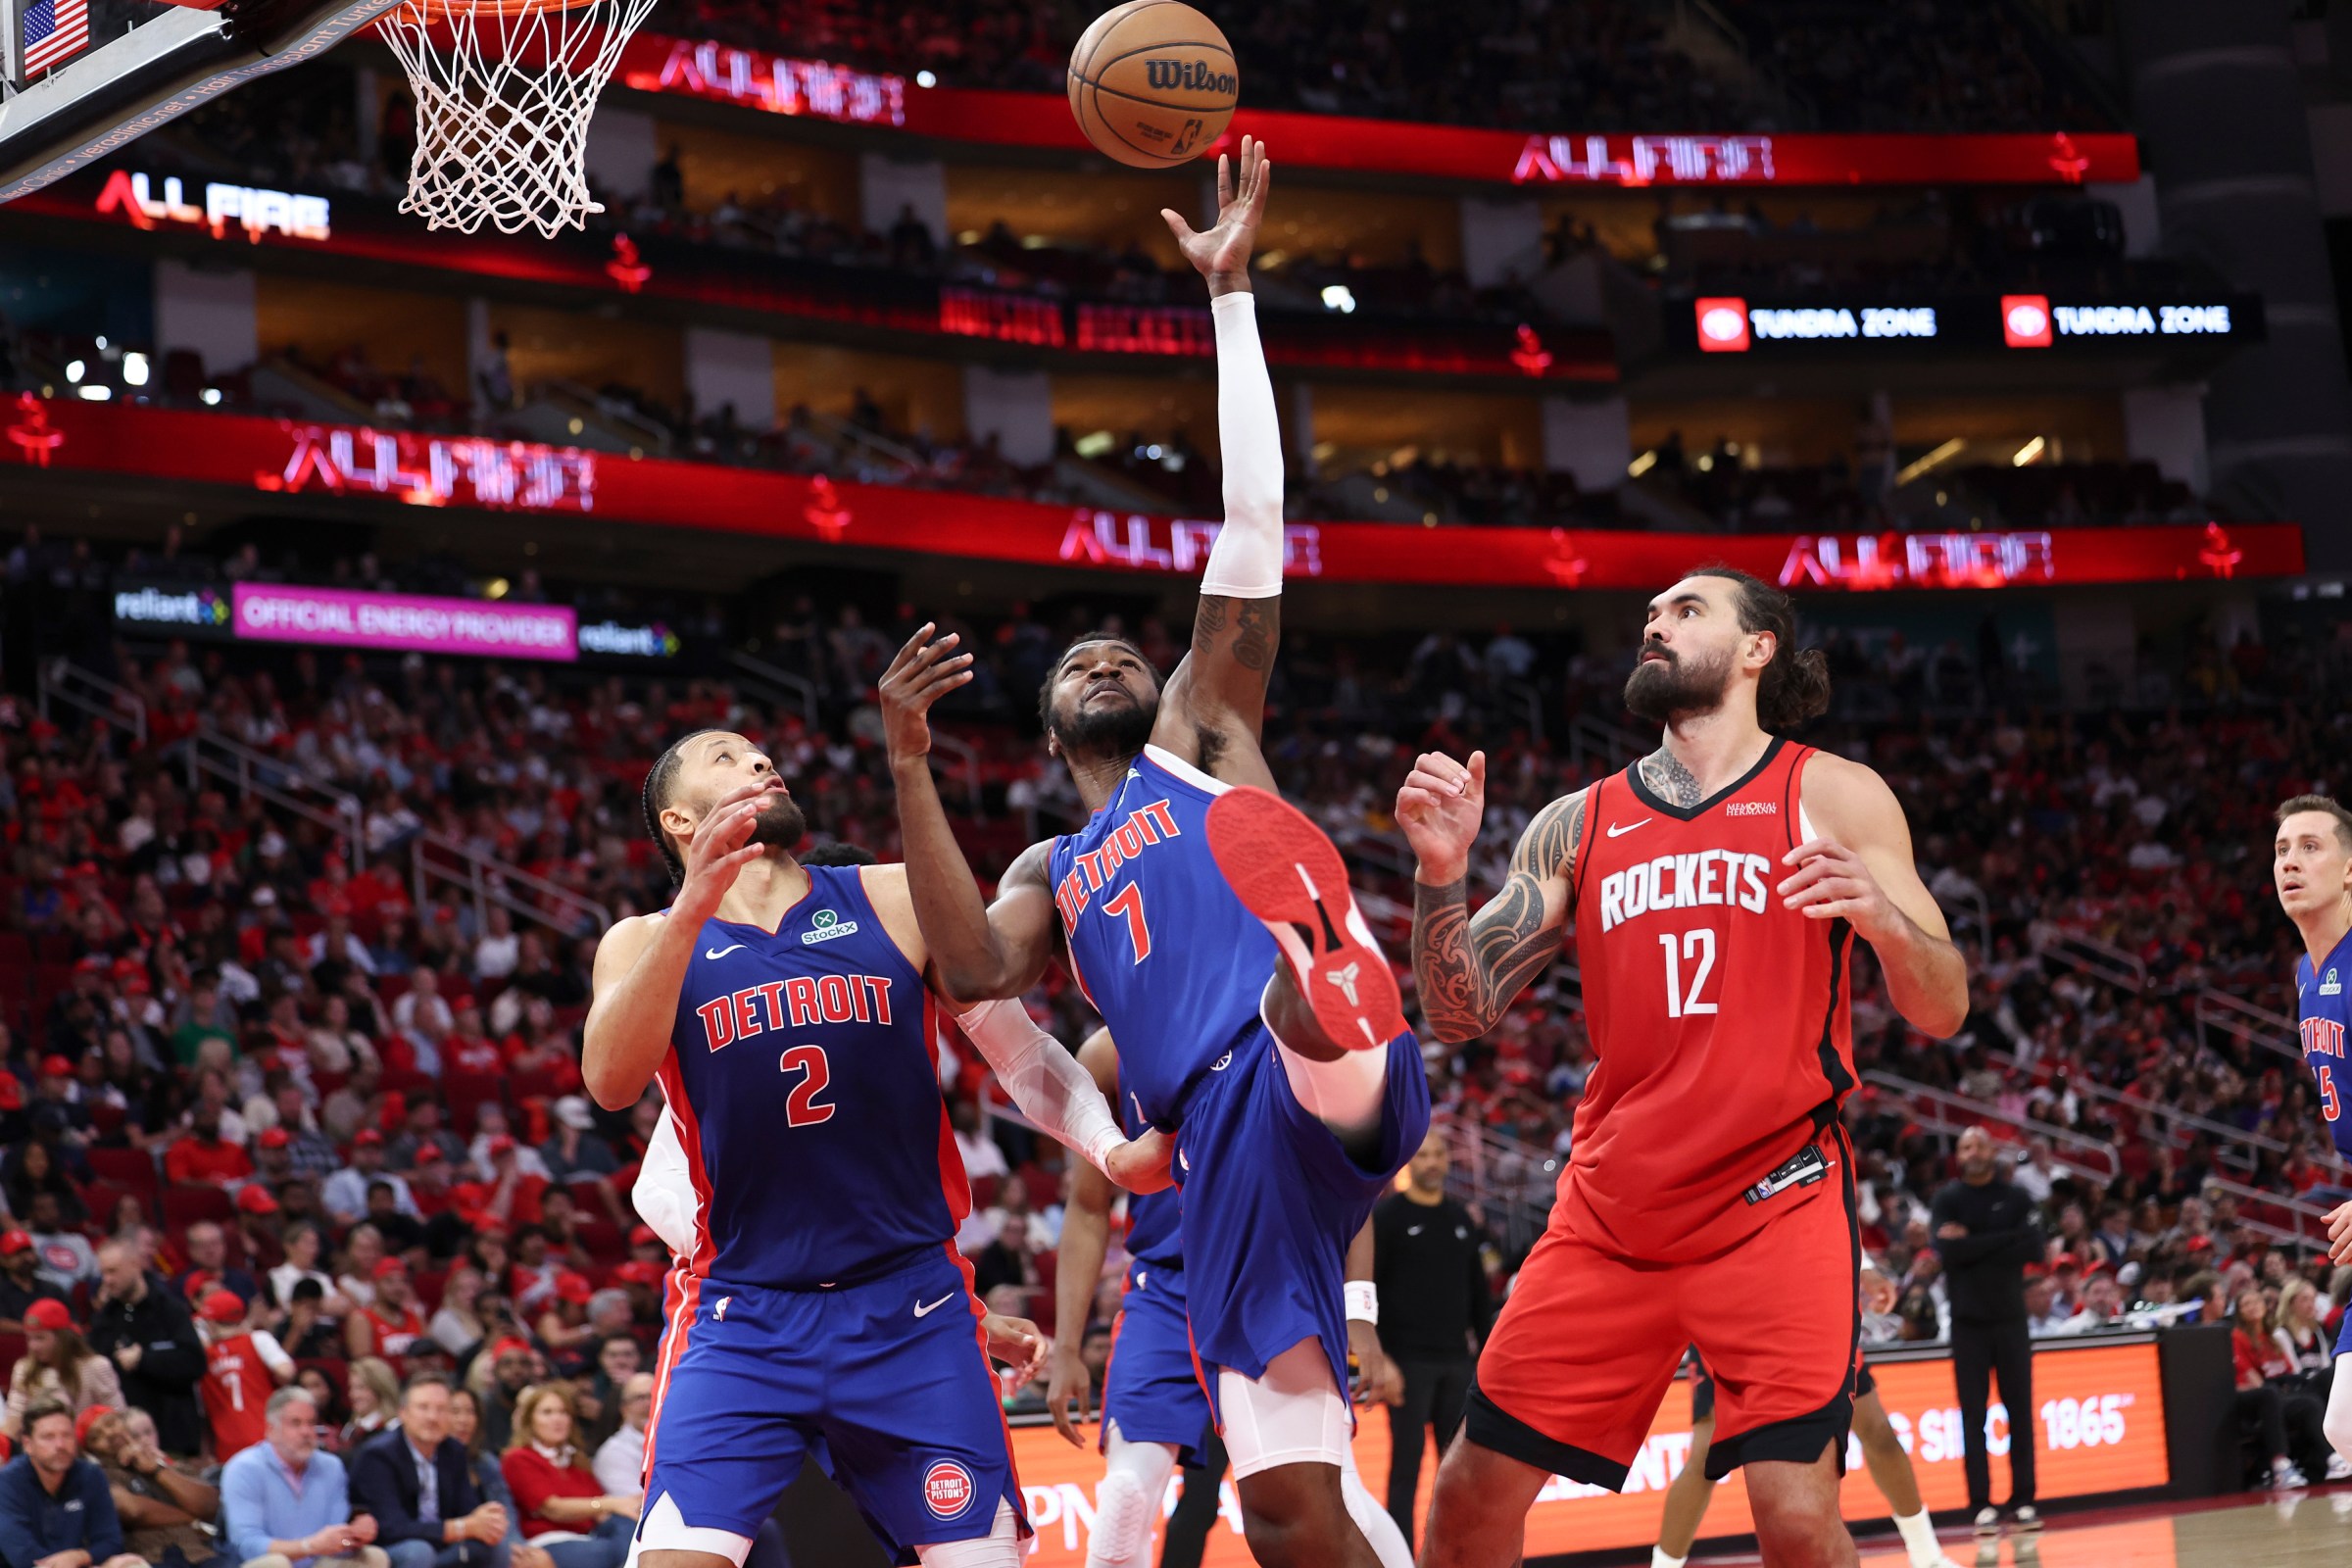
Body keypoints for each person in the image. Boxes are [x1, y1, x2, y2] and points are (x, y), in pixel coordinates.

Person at [885, 137, 1431, 1568]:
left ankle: (1323, 967)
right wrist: (905, 769)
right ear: (1051, 725)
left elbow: (1255, 524)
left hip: (1293, 1065)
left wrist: (1232, 298)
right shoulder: (1053, 871)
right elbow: (966, 968)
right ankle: (1320, 964)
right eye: (1083, 657)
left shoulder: (1195, 725)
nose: (1110, 656)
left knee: (1287, 1000)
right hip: (1227, 1151)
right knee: (1287, 1504)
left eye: (1124, 644)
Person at [1397, 567, 1968, 1568]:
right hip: (1613, 1213)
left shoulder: (1833, 791)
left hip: (1776, 1202)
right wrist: (1440, 877)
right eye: (1651, 612)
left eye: (1686, 610)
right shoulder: (1579, 821)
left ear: (1759, 649)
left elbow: (1943, 1005)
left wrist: (1880, 920)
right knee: (1468, 1499)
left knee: (1796, 1517)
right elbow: (1459, 1011)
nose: (1655, 623)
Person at [587, 717, 1142, 1568]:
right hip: (745, 1317)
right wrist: (695, 901)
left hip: (909, 1309)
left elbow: (1021, 1053)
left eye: (759, 751)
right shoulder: (641, 943)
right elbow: (612, 1084)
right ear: (678, 822)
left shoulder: (887, 895)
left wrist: (1109, 1150)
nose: (759, 760)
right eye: (724, 757)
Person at [1045, 1032, 1407, 1568]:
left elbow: (1345, 1181)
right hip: (1166, 1292)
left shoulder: (1269, 1020)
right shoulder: (1106, 1053)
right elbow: (1089, 1205)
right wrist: (1068, 1346)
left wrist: (1359, 1310)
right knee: (1125, 1496)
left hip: (1266, 1280)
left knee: (1336, 1498)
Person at [1653, 1339, 1961, 1568]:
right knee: (1706, 1456)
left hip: (1811, 1305)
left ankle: (1927, 1556)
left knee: (1877, 1429)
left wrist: (1864, 1268)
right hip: (1731, 1309)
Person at [1365, 1128, 1492, 1551]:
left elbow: (1479, 1296)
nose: (1433, 1163)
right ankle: (1400, 1556)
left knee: (1457, 1472)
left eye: (1439, 1155)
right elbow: (1370, 1289)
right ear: (1408, 1165)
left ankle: (1452, 1556)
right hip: (1407, 1364)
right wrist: (1382, 1359)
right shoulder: (1388, 1218)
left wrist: (1487, 1363)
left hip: (1458, 1363)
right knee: (1406, 1469)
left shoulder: (1460, 1219)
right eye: (1424, 1156)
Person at [2278, 794, 2352, 1471]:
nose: (2290, 862)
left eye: (2310, 846)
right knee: (2346, 1424)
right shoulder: (2308, 975)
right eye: (2281, 850)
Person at [1930, 1126, 2043, 1536]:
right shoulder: (1947, 1199)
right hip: (1968, 1325)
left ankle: (2025, 1500)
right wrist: (2004, 1239)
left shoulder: (2016, 1196)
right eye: (1964, 1145)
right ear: (1958, 1155)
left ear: (1993, 1150)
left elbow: (2035, 1247)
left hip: (2011, 1321)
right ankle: (1981, 1504)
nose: (1972, 1150)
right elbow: (1948, 1251)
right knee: (1972, 1416)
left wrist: (1973, 1242)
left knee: (2020, 1412)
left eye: (1978, 1144)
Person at [349, 1372, 514, 1568]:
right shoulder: (378, 1456)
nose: (432, 1417)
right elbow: (391, 1528)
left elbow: (467, 1510)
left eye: (442, 1409)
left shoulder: (453, 1450)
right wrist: (462, 1527)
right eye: (423, 1408)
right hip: (390, 1547)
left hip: (440, 1543)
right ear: (403, 1413)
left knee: (496, 1546)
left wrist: (487, 1519)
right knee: (419, 1552)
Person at [220, 1387, 389, 1568]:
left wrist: (354, 1535)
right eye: (296, 1423)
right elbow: (248, 1546)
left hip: (317, 1562)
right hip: (264, 1563)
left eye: (311, 1423)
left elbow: (335, 1539)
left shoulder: (331, 1467)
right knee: (277, 1563)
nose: (306, 1432)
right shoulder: (244, 1469)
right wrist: (308, 1546)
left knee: (373, 1556)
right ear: (271, 1430)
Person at [88, 1237, 208, 1456]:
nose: (107, 1280)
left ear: (135, 1265)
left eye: (113, 1271)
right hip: (127, 1445)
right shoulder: (104, 1320)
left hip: (175, 1438)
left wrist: (145, 1359)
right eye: (103, 1273)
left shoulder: (170, 1310)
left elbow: (195, 1362)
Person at [497, 1384, 636, 1568]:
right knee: (606, 1551)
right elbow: (554, 1508)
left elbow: (600, 1511)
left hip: (591, 1535)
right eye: (547, 1412)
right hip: (548, 1542)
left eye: (563, 1412)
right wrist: (610, 1503)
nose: (558, 1419)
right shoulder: (519, 1458)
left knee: (632, 1529)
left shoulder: (575, 1459)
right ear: (530, 1420)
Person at [0, 1400, 144, 1568]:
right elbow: (22, 1556)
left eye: (66, 1435)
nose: (60, 1445)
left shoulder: (91, 1475)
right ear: (28, 1445)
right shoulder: (8, 1482)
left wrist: (79, 1556)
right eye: (49, 1437)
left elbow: (111, 1541)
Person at [84, 1404, 223, 1566]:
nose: (109, 1433)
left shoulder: (171, 1465)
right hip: (150, 1558)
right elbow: (132, 1510)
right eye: (96, 1437)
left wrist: (157, 1469)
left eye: (111, 1423)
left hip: (202, 1555)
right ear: (91, 1451)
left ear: (125, 1424)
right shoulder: (100, 1477)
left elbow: (211, 1506)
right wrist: (191, 1517)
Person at [199, 1288, 298, 1460]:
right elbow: (286, 1372)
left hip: (229, 1447)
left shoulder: (204, 1356)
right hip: (268, 1439)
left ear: (211, 1323)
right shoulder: (257, 1339)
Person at [3, 1299, 122, 1439]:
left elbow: (117, 1416)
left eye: (40, 1338)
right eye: (29, 1339)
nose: (33, 1346)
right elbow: (14, 1420)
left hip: (90, 1449)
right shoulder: (24, 1369)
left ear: (61, 1338)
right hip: (41, 1449)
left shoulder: (96, 1367)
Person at [590, 1375, 652, 1499]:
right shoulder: (613, 1452)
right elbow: (639, 1504)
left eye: (653, 1396)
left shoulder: (682, 1441)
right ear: (625, 1408)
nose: (648, 1404)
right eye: (639, 1398)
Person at [0, 1227, 67, 1329]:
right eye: (18, 1253)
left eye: (29, 1251)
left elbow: (71, 1321)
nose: (27, 1258)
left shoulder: (52, 1289)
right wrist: (36, 1331)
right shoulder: (2, 1290)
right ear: (4, 1260)